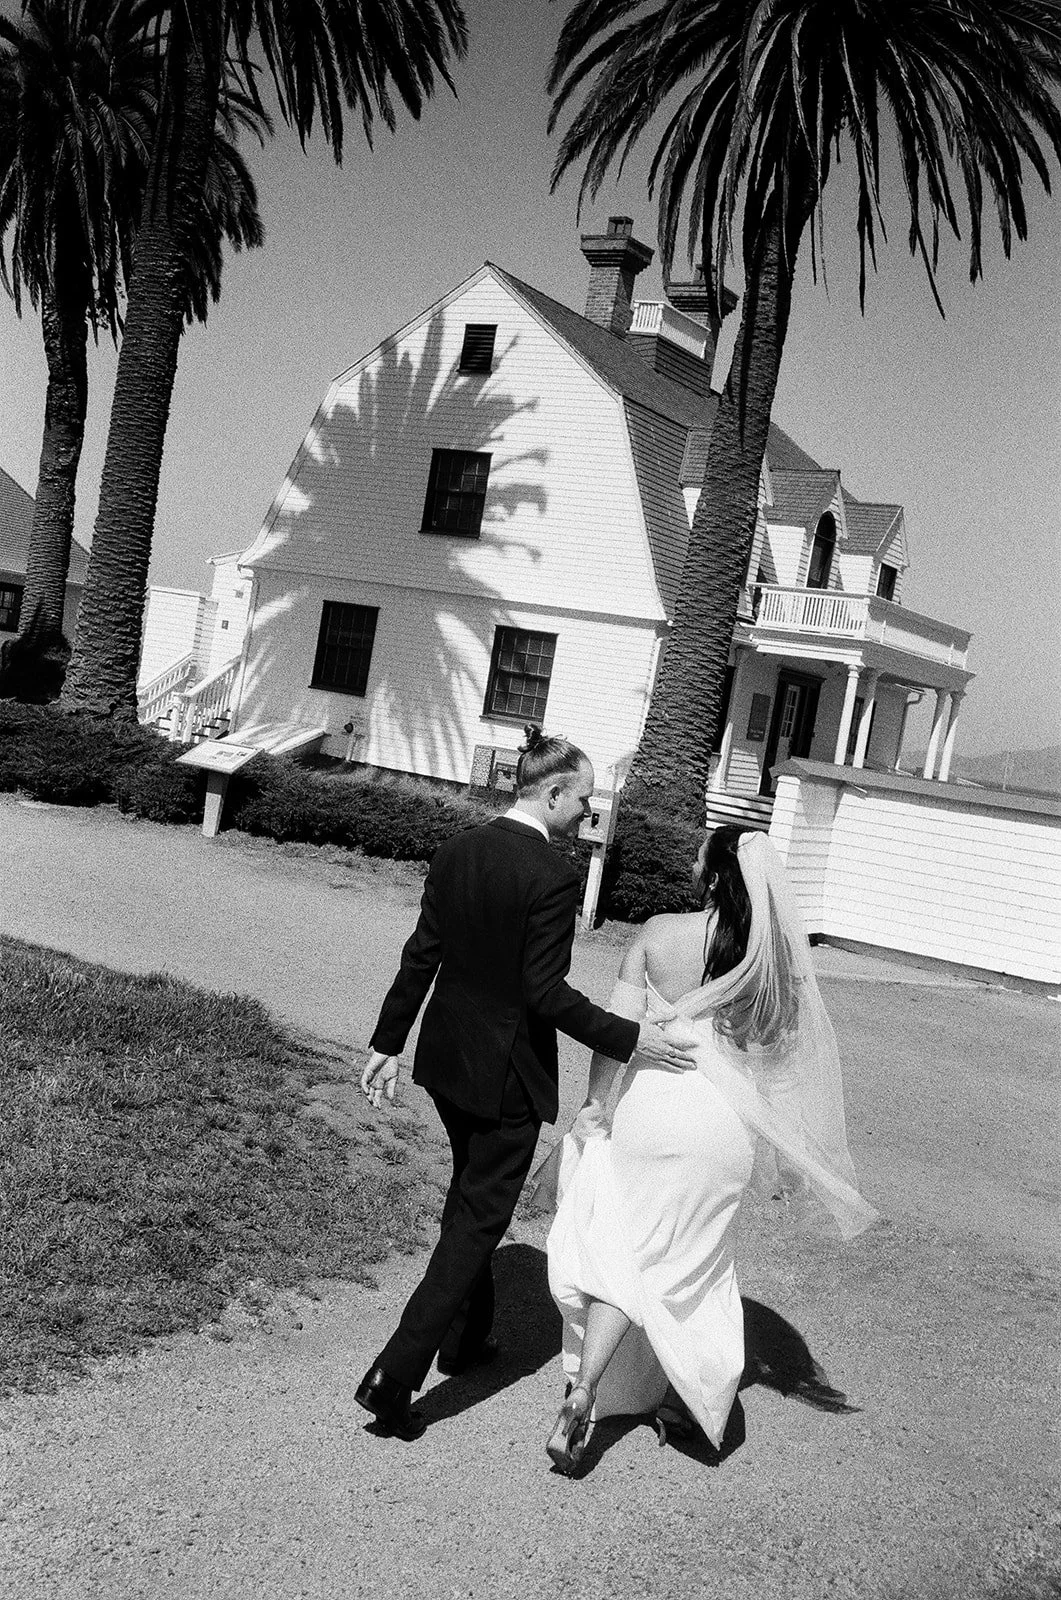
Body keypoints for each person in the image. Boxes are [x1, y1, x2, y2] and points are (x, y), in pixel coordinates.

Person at [355, 725, 694, 1439]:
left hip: (447, 1062)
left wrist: (389, 1042)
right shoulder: (550, 875)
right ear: (551, 792)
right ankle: (396, 1371)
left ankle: (465, 1337)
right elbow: (544, 993)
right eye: (581, 800)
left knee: (468, 1196)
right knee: (479, 1215)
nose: (586, 814)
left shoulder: (458, 849)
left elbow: (423, 954)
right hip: (505, 1076)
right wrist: (629, 1038)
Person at [540, 824, 878, 1475]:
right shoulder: (773, 964)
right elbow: (780, 1070)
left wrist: (594, 1109)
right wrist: (782, 1157)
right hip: (720, 1132)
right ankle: (669, 1397)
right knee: (684, 1264)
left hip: (649, 1114)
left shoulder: (657, 932)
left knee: (626, 1252)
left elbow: (614, 1036)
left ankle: (584, 1388)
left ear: (714, 873)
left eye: (702, 853)